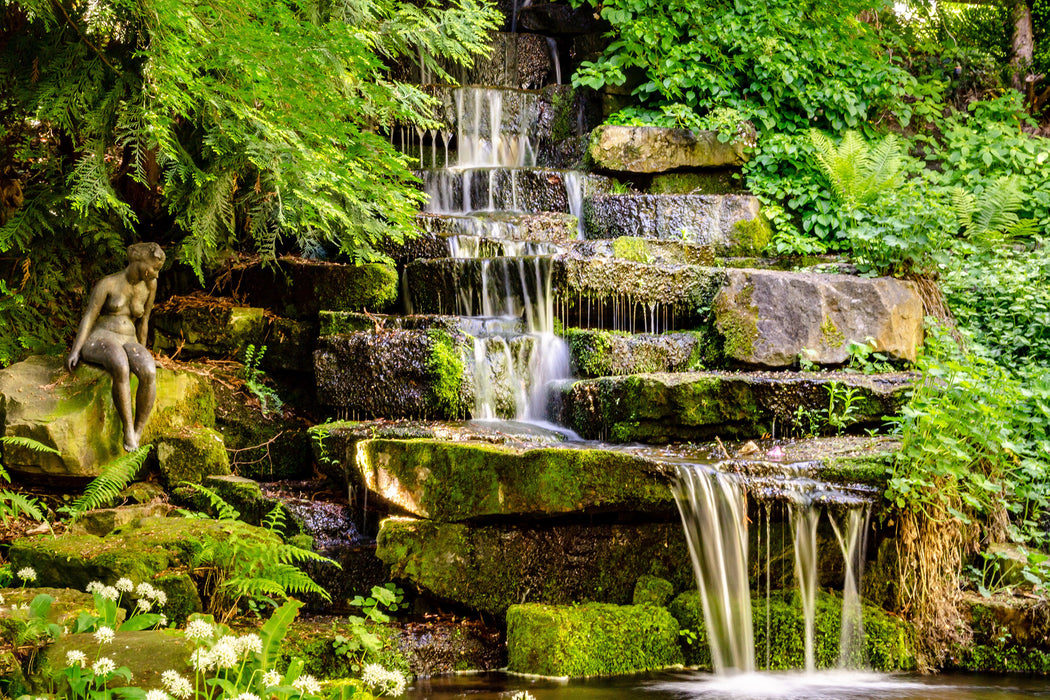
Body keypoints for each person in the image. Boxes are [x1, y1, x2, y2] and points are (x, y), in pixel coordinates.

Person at [67, 242, 166, 452]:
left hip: (129, 340)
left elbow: (144, 321)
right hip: (101, 337)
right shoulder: (109, 283)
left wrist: (143, 350)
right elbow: (89, 316)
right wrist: (76, 349)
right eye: (154, 269)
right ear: (139, 262)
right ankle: (127, 429)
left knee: (148, 370)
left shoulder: (149, 287)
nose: (155, 276)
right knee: (120, 364)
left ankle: (138, 430)